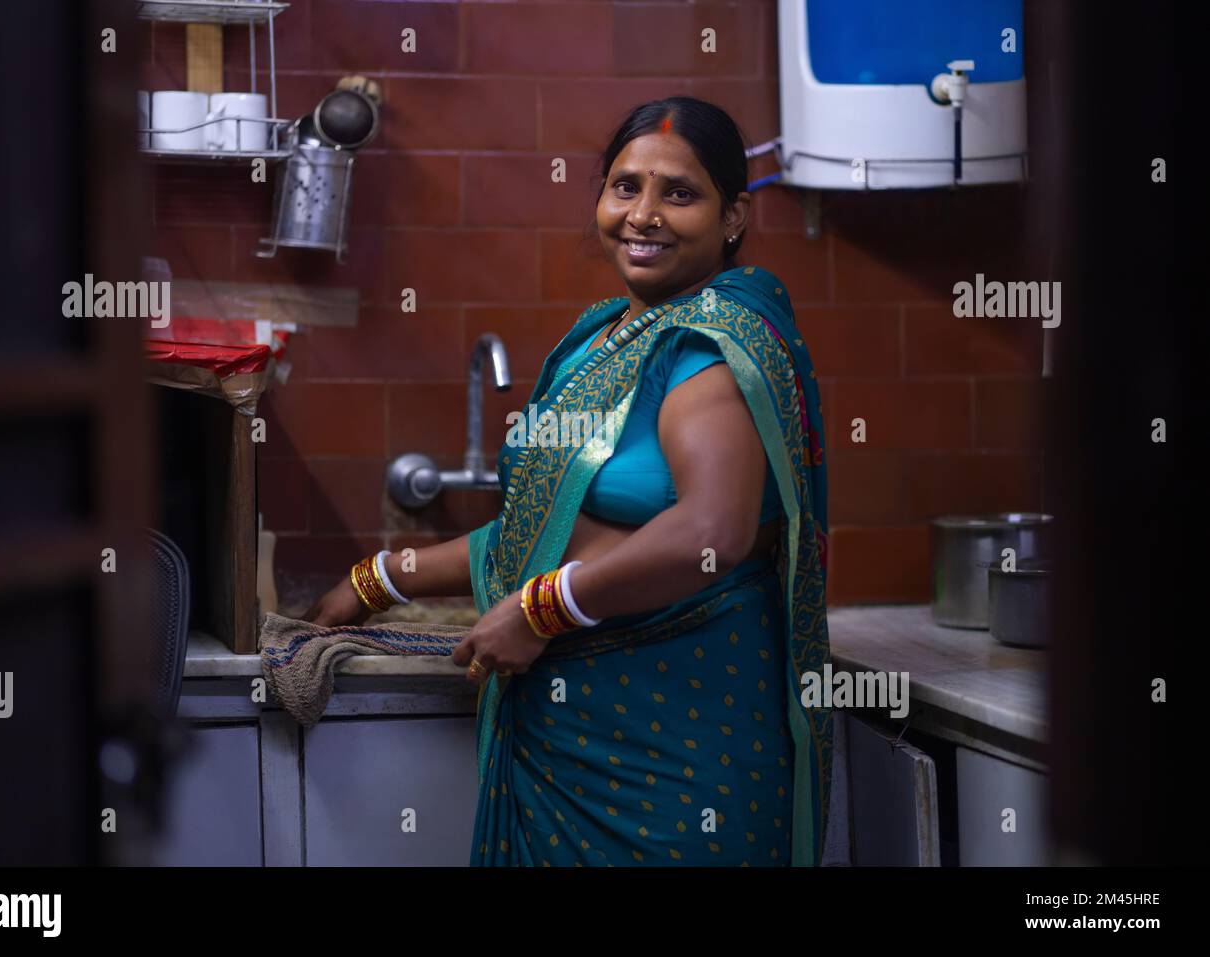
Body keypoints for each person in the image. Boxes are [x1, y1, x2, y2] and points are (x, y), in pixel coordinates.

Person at [306, 96, 831, 866]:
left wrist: (542, 609)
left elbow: (710, 534)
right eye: (625, 187)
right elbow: (539, 527)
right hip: (563, 740)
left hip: (676, 753)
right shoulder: (599, 335)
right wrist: (379, 576)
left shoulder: (710, 347)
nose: (643, 215)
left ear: (733, 217)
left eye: (678, 194)